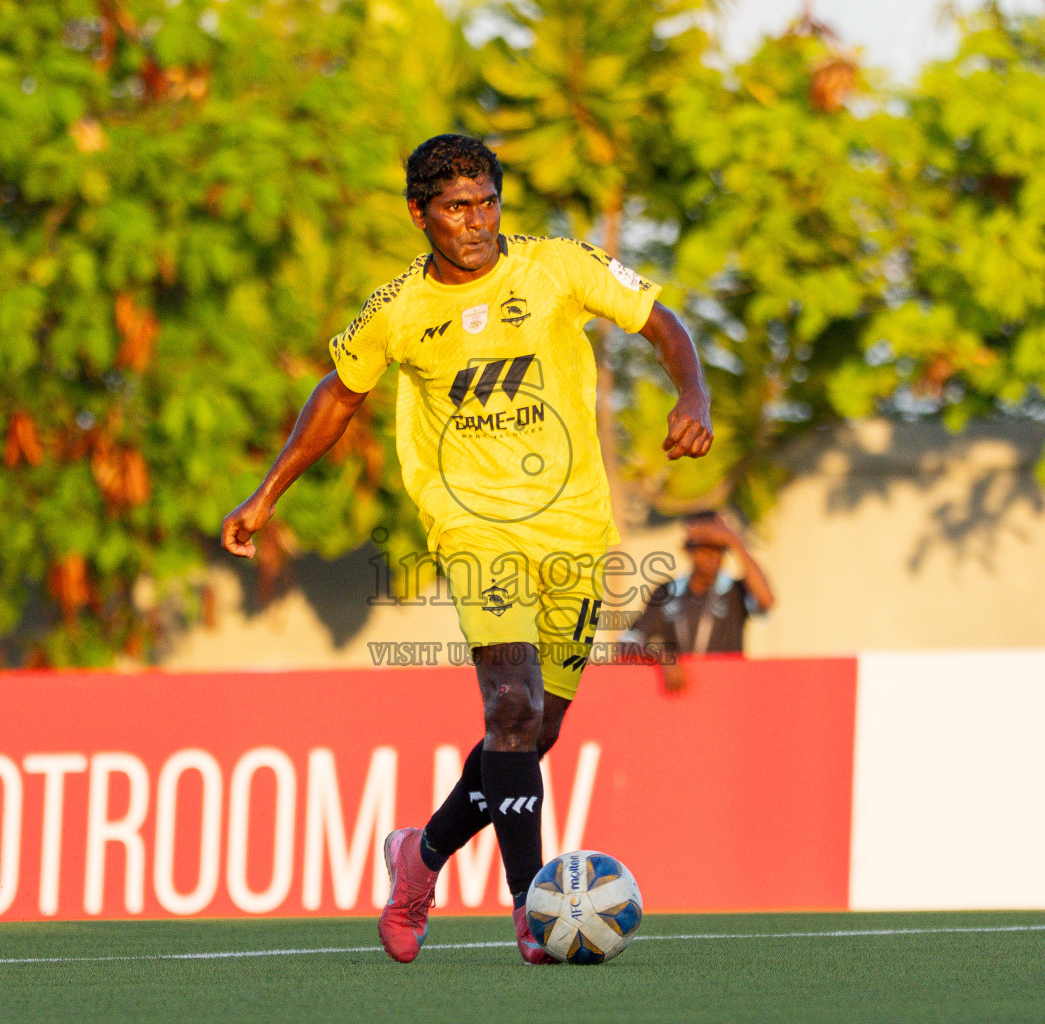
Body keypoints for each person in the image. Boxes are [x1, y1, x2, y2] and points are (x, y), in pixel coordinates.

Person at [220, 134, 712, 964]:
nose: (477, 222)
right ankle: (531, 909)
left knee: (534, 734)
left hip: (575, 531)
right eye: (456, 208)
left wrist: (692, 392)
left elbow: (663, 324)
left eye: (487, 203)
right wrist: (268, 492)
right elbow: (338, 397)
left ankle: (422, 854)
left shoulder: (557, 266)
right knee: (509, 710)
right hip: (474, 528)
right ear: (420, 215)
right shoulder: (397, 310)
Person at [622, 512, 774, 692]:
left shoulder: (734, 591)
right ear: (688, 549)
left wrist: (735, 541)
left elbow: (765, 599)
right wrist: (661, 657)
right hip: (684, 693)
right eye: (704, 547)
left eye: (719, 548)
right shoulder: (668, 592)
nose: (712, 555)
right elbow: (626, 644)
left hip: (728, 691)